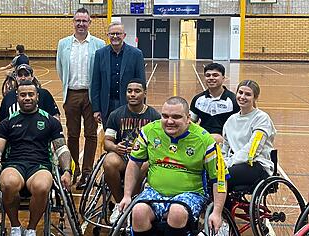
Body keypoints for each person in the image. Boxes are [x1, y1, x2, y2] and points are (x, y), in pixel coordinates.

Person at [118, 96, 226, 235]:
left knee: (177, 212)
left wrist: (217, 212)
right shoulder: (149, 131)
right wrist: (127, 195)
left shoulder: (204, 140)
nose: (169, 121)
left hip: (189, 194)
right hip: (154, 191)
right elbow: (134, 164)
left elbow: (220, 178)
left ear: (188, 118)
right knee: (138, 212)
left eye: (176, 117)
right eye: (165, 116)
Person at [0, 80, 73, 236]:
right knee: (8, 183)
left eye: (31, 94)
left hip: (40, 166)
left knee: (42, 186)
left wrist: (67, 171)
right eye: (23, 95)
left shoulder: (50, 121)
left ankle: (31, 228)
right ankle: (15, 226)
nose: (27, 98)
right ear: (17, 97)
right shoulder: (7, 123)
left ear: (37, 96)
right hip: (14, 165)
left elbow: (62, 149)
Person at [56, 7, 106, 190]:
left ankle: (86, 173)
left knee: (91, 135)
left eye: (84, 21)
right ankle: (73, 169)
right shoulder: (63, 44)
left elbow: (101, 72)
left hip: (92, 95)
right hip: (71, 94)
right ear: (73, 22)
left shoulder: (99, 44)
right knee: (73, 134)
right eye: (78, 20)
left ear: (89, 23)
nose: (81, 24)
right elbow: (61, 69)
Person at [102, 79, 160, 222]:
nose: (132, 94)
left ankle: (131, 203)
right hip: (123, 157)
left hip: (143, 160)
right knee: (109, 161)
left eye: (137, 91)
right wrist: (115, 147)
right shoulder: (116, 114)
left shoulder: (154, 117)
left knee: (144, 165)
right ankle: (119, 203)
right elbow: (107, 142)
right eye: (129, 91)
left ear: (144, 93)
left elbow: (159, 145)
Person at [222, 80, 276, 190]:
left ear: (255, 98)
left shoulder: (261, 118)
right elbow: (225, 147)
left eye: (248, 94)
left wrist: (229, 163)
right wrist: (222, 161)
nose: (242, 97)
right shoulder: (231, 120)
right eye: (240, 92)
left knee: (222, 176)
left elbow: (252, 149)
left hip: (257, 165)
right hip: (235, 164)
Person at [91, 21, 146, 127]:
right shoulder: (100, 54)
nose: (115, 36)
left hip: (129, 104)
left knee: (128, 138)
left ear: (124, 35)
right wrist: (96, 109)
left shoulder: (136, 54)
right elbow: (96, 83)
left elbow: (141, 83)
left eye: (118, 33)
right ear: (107, 35)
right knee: (109, 137)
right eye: (112, 34)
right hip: (107, 106)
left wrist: (141, 107)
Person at [190, 63, 239, 143]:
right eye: (208, 75)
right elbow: (191, 122)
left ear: (223, 78)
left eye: (215, 75)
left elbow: (238, 126)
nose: (211, 78)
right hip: (203, 141)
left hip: (226, 143)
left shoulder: (233, 100)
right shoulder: (198, 99)